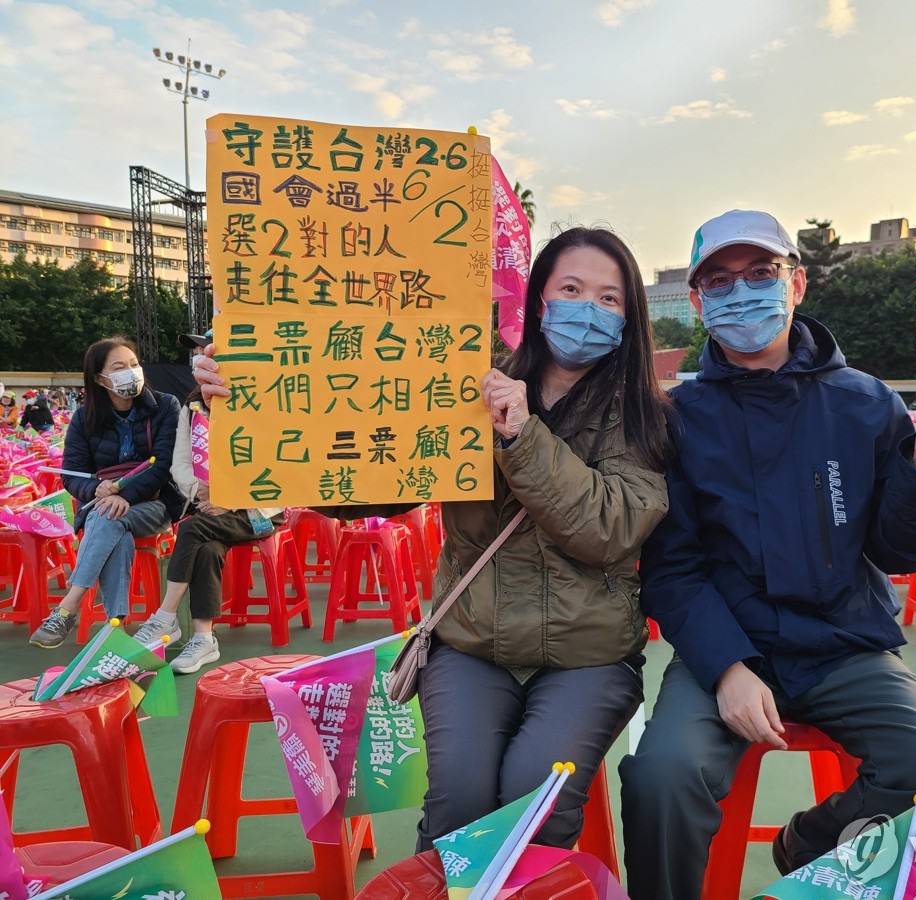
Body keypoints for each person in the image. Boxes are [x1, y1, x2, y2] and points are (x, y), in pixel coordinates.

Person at [196, 226, 674, 851]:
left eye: (610, 299)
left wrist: (521, 437)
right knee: (459, 800)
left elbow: (607, 528)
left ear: (630, 316)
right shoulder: (458, 383)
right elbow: (372, 482)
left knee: (537, 798)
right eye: (573, 289)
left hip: (590, 657)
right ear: (538, 301)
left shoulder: (645, 415)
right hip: (470, 644)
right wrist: (250, 409)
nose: (589, 309)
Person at [618, 210, 916, 899]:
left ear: (797, 284)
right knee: (660, 776)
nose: (743, 294)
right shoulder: (675, 417)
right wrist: (728, 668)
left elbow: (894, 549)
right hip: (727, 647)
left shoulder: (865, 402)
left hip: (843, 643)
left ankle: (809, 842)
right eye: (720, 283)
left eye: (761, 274)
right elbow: (673, 567)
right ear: (696, 303)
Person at [29, 337, 184, 649]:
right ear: (100, 379)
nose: (131, 372)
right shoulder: (83, 418)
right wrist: (95, 488)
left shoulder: (166, 406)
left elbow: (164, 466)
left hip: (157, 502)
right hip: (106, 506)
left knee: (108, 515)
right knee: (113, 522)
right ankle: (117, 630)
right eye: (119, 368)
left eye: (133, 365)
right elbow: (72, 474)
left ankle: (67, 607)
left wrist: (122, 496)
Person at [128, 378, 284, 673]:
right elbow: (180, 462)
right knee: (207, 548)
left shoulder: (263, 396)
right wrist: (200, 490)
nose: (203, 362)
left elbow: (273, 461)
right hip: (209, 504)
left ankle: (165, 616)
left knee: (191, 529)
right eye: (199, 356)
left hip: (257, 511)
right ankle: (203, 638)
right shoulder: (193, 406)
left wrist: (229, 499)